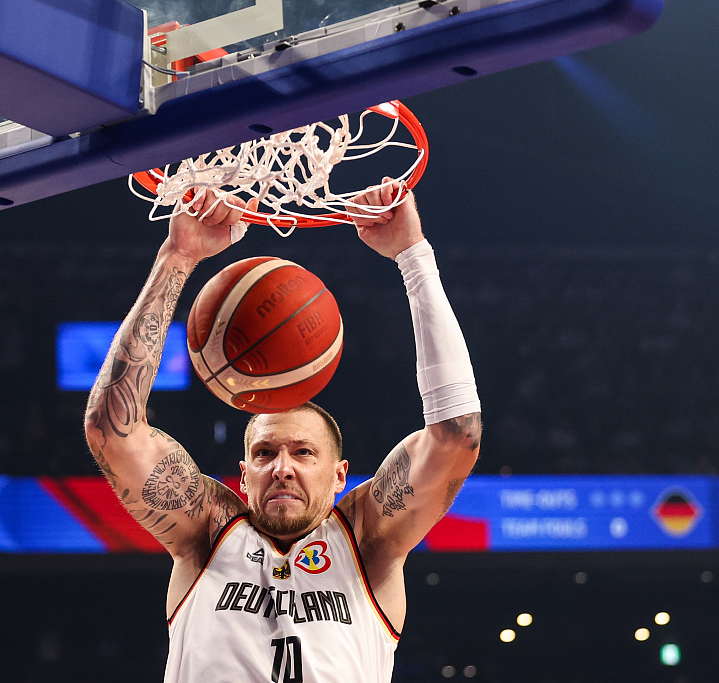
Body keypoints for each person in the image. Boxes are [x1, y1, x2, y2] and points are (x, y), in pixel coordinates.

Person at [84, 180, 482, 683]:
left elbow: (457, 435)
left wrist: (413, 256)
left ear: (340, 475)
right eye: (266, 452)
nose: (283, 466)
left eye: (303, 452)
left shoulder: (366, 539)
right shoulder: (208, 531)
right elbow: (111, 430)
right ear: (243, 473)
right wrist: (177, 257)